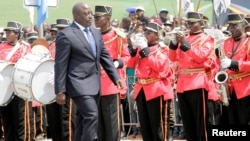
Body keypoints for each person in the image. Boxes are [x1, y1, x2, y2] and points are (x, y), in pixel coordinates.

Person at [54, 2, 123, 141]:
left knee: (82, 119)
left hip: (95, 84)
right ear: (76, 16)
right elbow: (60, 64)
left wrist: (116, 77)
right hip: (77, 83)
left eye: (91, 13)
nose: (90, 17)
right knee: (91, 115)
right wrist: (60, 90)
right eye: (86, 14)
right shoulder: (66, 35)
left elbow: (105, 57)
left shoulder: (95, 32)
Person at [168, 11, 215, 141]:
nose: (189, 24)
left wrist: (184, 42)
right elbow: (173, 58)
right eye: (188, 22)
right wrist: (173, 43)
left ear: (201, 24)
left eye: (193, 22)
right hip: (183, 83)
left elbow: (200, 57)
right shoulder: (185, 38)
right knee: (188, 123)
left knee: (201, 123)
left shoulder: (207, 39)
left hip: (197, 82)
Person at [127, 18, 174, 141]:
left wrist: (146, 51)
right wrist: (132, 49)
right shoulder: (142, 48)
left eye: (149, 33)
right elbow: (131, 65)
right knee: (145, 127)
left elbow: (160, 68)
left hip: (156, 89)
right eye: (145, 32)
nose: (146, 35)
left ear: (157, 35)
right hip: (141, 89)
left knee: (157, 127)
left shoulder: (163, 48)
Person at [93, 5, 130, 141]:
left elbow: (127, 56)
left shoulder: (117, 36)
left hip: (110, 83)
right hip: (94, 84)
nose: (95, 19)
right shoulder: (92, 34)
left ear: (107, 18)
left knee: (111, 125)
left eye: (98, 17)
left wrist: (116, 63)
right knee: (98, 127)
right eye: (95, 17)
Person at [0, 21, 31, 141]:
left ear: (17, 34)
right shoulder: (1, 47)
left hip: (19, 89)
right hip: (3, 89)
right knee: (6, 121)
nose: (6, 34)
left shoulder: (25, 48)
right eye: (6, 32)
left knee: (19, 121)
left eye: (10, 32)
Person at [46, 18, 77, 141]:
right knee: (54, 122)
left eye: (62, 29)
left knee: (67, 123)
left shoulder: (73, 43)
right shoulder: (50, 46)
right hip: (51, 87)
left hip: (67, 87)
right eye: (58, 29)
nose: (59, 31)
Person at [219, 13, 250, 125]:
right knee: (231, 122)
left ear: (243, 25)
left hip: (246, 89)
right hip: (229, 88)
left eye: (235, 25)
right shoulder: (226, 42)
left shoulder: (248, 41)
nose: (231, 28)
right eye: (230, 26)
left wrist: (233, 64)